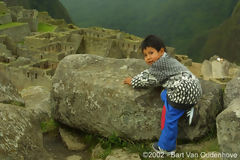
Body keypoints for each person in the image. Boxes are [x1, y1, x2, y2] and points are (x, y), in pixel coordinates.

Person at [123, 35, 202, 155]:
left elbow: (148, 79)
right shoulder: (170, 60)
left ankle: (166, 147)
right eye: (145, 55)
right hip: (195, 89)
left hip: (181, 93)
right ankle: (189, 107)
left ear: (161, 51)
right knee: (164, 94)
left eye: (151, 53)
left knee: (170, 119)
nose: (148, 57)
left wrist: (133, 81)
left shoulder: (158, 66)